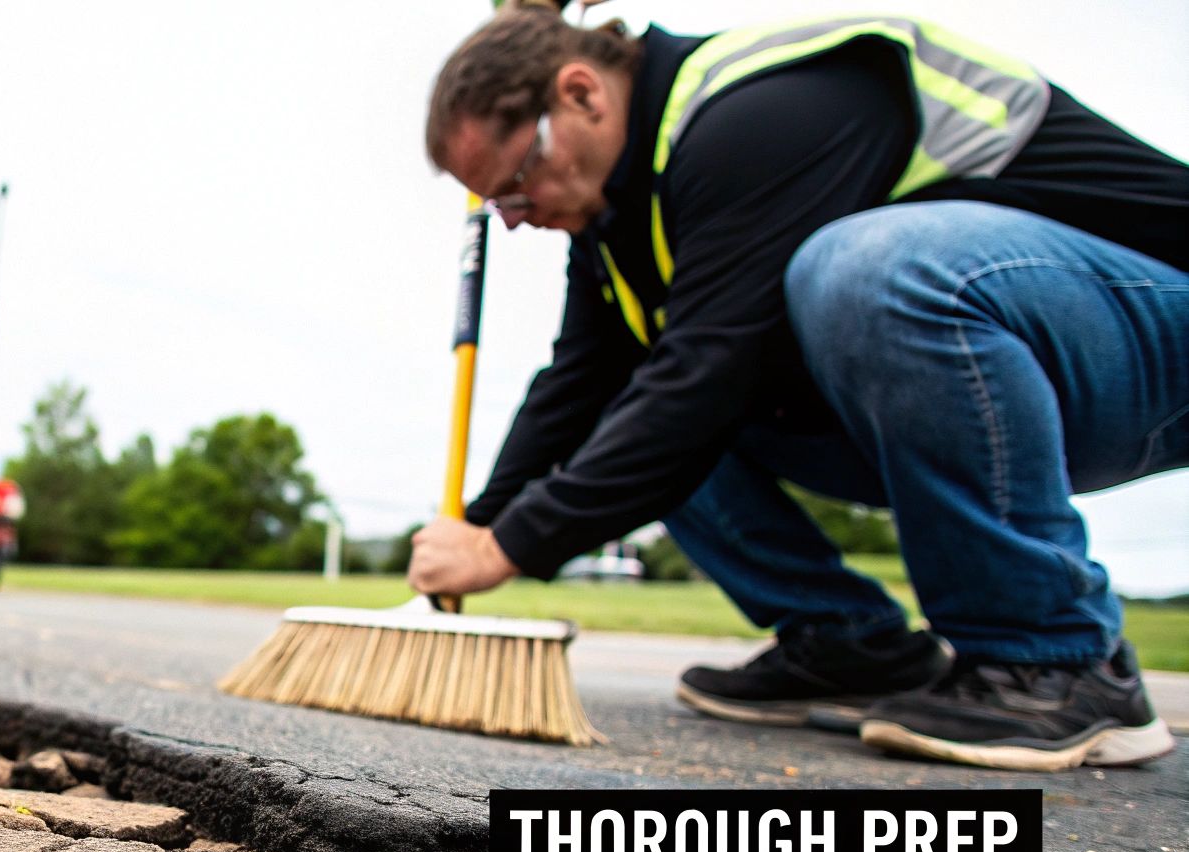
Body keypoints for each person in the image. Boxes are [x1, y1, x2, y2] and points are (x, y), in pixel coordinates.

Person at [406, 2, 1186, 771]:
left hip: (1144, 333)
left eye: (514, 183)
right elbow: (578, 385)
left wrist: (509, 547)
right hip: (975, 391)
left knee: (860, 270)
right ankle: (851, 646)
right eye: (495, 205)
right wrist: (475, 527)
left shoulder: (764, 108)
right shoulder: (622, 217)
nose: (512, 219)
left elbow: (708, 373)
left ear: (581, 93)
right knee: (636, 394)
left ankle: (1055, 659)